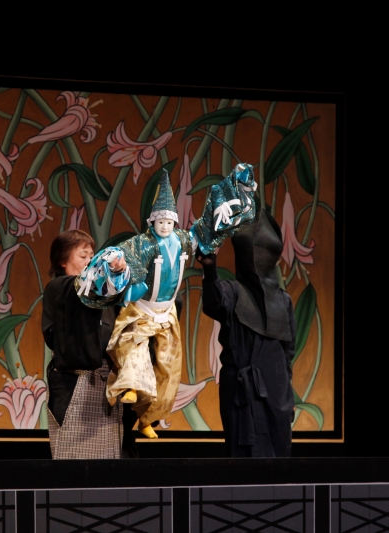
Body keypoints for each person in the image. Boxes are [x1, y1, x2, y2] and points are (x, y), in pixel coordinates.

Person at [77, 164, 257, 438]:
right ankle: (130, 387)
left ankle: (148, 419)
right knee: (133, 350)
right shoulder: (143, 243)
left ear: (174, 222)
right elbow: (124, 257)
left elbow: (204, 231)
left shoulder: (182, 240)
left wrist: (228, 200)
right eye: (160, 222)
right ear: (152, 222)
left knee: (169, 371)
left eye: (169, 223)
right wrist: (118, 265)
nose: (165, 226)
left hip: (167, 312)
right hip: (142, 310)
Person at [196, 209, 296, 457]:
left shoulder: (283, 301)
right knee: (243, 461)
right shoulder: (232, 292)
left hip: (276, 393)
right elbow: (214, 303)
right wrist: (210, 268)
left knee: (278, 460)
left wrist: (287, 392)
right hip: (242, 393)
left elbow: (288, 352)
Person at [41, 229, 124, 459]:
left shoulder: (102, 295)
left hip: (106, 384)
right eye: (83, 256)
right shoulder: (60, 288)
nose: (89, 261)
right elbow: (80, 288)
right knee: (74, 464)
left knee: (108, 466)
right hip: (74, 384)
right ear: (63, 261)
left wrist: (121, 272)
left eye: (91, 256)